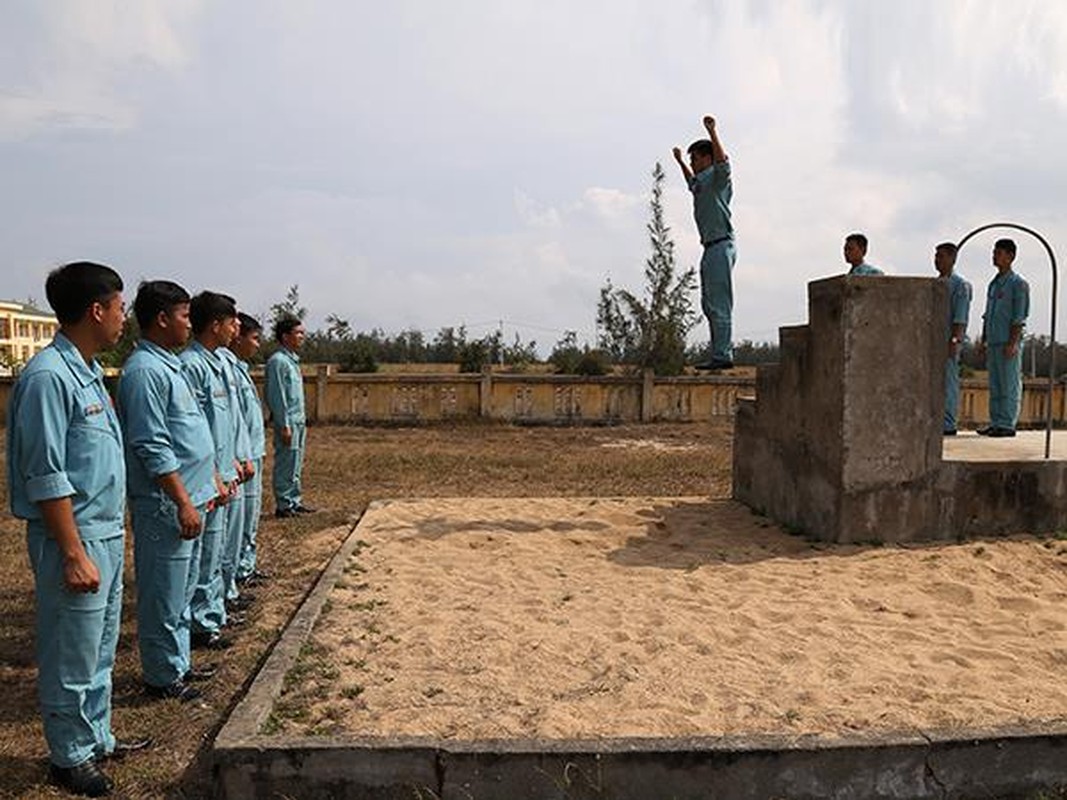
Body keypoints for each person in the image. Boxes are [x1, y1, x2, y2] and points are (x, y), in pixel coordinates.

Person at [7, 262, 150, 797]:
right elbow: (46, 474)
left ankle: (95, 737)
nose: (122, 319)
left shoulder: (87, 372)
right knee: (72, 650)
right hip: (75, 538)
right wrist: (71, 551)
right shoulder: (48, 378)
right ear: (97, 310)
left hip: (106, 533)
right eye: (119, 308)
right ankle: (68, 756)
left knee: (98, 646)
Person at [117, 281, 219, 703]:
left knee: (180, 588)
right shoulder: (144, 372)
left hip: (191, 497)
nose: (189, 324)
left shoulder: (167, 365)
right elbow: (152, 443)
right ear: (162, 319)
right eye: (184, 315)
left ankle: (178, 664)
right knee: (163, 593)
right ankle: (162, 677)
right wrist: (180, 500)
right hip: (167, 505)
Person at [179, 292, 240, 650]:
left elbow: (223, 425)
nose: (235, 328)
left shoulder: (217, 362)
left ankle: (209, 614)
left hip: (220, 471)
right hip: (204, 478)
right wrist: (213, 473)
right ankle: (201, 622)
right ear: (215, 324)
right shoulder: (192, 365)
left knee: (214, 550)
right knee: (202, 555)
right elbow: (195, 431)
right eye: (231, 322)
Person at [673, 114, 735, 370]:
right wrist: (679, 162)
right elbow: (691, 183)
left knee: (720, 302)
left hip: (722, 244)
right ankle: (718, 353)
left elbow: (723, 164)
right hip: (709, 247)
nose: (693, 163)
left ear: (707, 157)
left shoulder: (718, 176)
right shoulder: (700, 181)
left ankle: (723, 356)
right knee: (709, 303)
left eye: (695, 158)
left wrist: (712, 132)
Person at [231, 313, 269, 587]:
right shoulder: (227, 368)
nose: (257, 345)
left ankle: (245, 567)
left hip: (252, 452)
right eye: (254, 338)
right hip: (240, 458)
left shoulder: (239, 368)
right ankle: (238, 573)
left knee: (249, 517)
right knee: (239, 521)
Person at [978, 238, 1030, 437]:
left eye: (999, 253)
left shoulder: (1018, 284)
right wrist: (984, 339)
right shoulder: (994, 284)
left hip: (1008, 341)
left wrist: (1013, 342)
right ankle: (996, 422)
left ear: (1010, 256)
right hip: (994, 340)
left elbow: (1019, 317)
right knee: (996, 384)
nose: (994, 256)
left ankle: (1007, 424)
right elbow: (987, 314)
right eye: (994, 252)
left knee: (1009, 384)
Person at [265, 316, 314, 517]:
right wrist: (283, 424)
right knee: (286, 462)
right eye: (298, 333)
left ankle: (295, 500)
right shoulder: (278, 362)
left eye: (303, 333)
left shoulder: (292, 361)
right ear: (285, 337)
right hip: (288, 423)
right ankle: (284, 505)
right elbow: (277, 396)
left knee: (295, 461)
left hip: (298, 421)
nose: (302, 336)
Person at [935, 243, 972, 436]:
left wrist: (955, 341)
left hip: (949, 340)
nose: (937, 260)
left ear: (952, 258)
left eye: (941, 256)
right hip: (934, 341)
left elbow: (960, 317)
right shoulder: (936, 284)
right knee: (934, 383)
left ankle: (948, 423)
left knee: (948, 383)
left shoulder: (960, 285)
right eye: (936, 256)